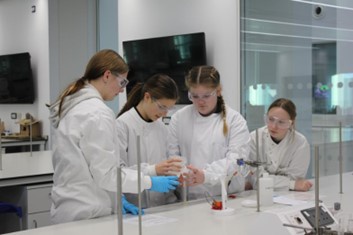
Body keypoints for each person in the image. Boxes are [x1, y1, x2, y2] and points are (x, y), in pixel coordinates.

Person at [47, 49, 179, 224]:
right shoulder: (97, 112)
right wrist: (149, 182)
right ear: (107, 75)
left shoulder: (76, 105)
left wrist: (118, 200)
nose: (122, 89)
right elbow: (107, 175)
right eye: (122, 81)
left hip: (72, 207)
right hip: (87, 212)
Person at [167, 65, 251, 200]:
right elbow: (173, 156)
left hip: (224, 198)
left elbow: (237, 160)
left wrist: (205, 175)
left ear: (218, 91)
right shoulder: (179, 118)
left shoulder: (235, 121)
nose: (200, 101)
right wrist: (180, 173)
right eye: (194, 96)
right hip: (187, 198)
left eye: (206, 96)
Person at [116, 73, 183, 208]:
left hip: (160, 208)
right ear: (147, 97)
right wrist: (153, 170)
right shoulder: (122, 125)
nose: (165, 114)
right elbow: (117, 172)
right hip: (133, 207)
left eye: (169, 109)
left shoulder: (162, 128)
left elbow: (166, 170)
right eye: (162, 107)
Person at [247, 98, 312, 192]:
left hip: (290, 196)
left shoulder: (300, 143)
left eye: (281, 122)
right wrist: (291, 184)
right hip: (257, 195)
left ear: (291, 123)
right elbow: (256, 180)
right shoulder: (254, 138)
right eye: (271, 119)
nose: (274, 126)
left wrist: (265, 180)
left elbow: (296, 179)